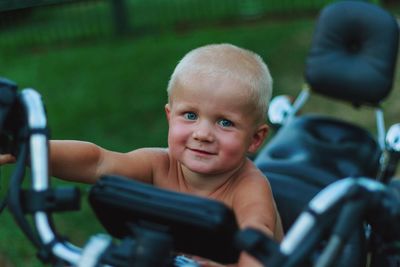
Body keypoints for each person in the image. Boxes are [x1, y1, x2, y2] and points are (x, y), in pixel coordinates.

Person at [0, 43, 283, 266]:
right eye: (190, 115)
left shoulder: (248, 187)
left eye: (225, 122)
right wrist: (26, 148)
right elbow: (97, 162)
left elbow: (257, 239)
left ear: (255, 139)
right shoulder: (158, 165)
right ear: (169, 116)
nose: (203, 133)